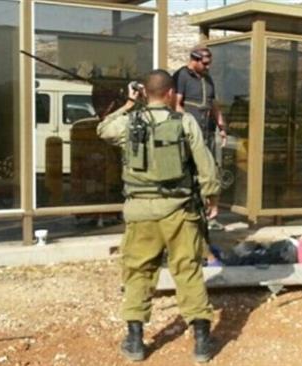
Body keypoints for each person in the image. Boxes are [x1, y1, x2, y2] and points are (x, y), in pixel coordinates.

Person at [97, 69, 220, 362]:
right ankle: (202, 343)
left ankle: (136, 341)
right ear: (168, 93)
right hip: (179, 211)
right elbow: (205, 163)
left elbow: (103, 130)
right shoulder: (185, 121)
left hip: (139, 212)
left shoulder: (130, 121)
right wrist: (211, 195)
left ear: (144, 93)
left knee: (138, 272)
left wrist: (128, 104)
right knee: (187, 270)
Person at [173, 46, 227, 232]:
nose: (208, 67)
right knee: (189, 172)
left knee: (212, 171)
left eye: (209, 63)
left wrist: (221, 126)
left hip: (208, 131)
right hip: (190, 133)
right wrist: (188, 123)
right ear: (194, 60)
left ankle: (212, 215)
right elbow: (177, 104)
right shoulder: (182, 76)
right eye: (204, 63)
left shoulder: (208, 78)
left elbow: (214, 104)